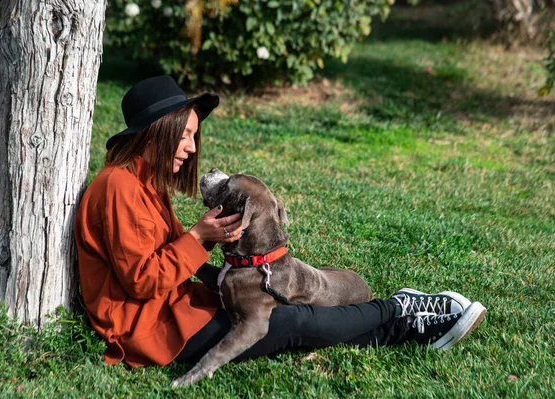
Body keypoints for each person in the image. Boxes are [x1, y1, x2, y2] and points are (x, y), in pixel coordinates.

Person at [74, 75, 486, 370]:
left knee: (292, 314)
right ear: (153, 132)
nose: (190, 147)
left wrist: (214, 245)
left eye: (193, 137)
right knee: (288, 321)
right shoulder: (118, 188)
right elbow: (142, 281)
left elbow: (167, 254)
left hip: (177, 309)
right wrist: (199, 236)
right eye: (183, 135)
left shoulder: (142, 182)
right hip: (154, 328)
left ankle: (408, 327)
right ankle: (400, 309)